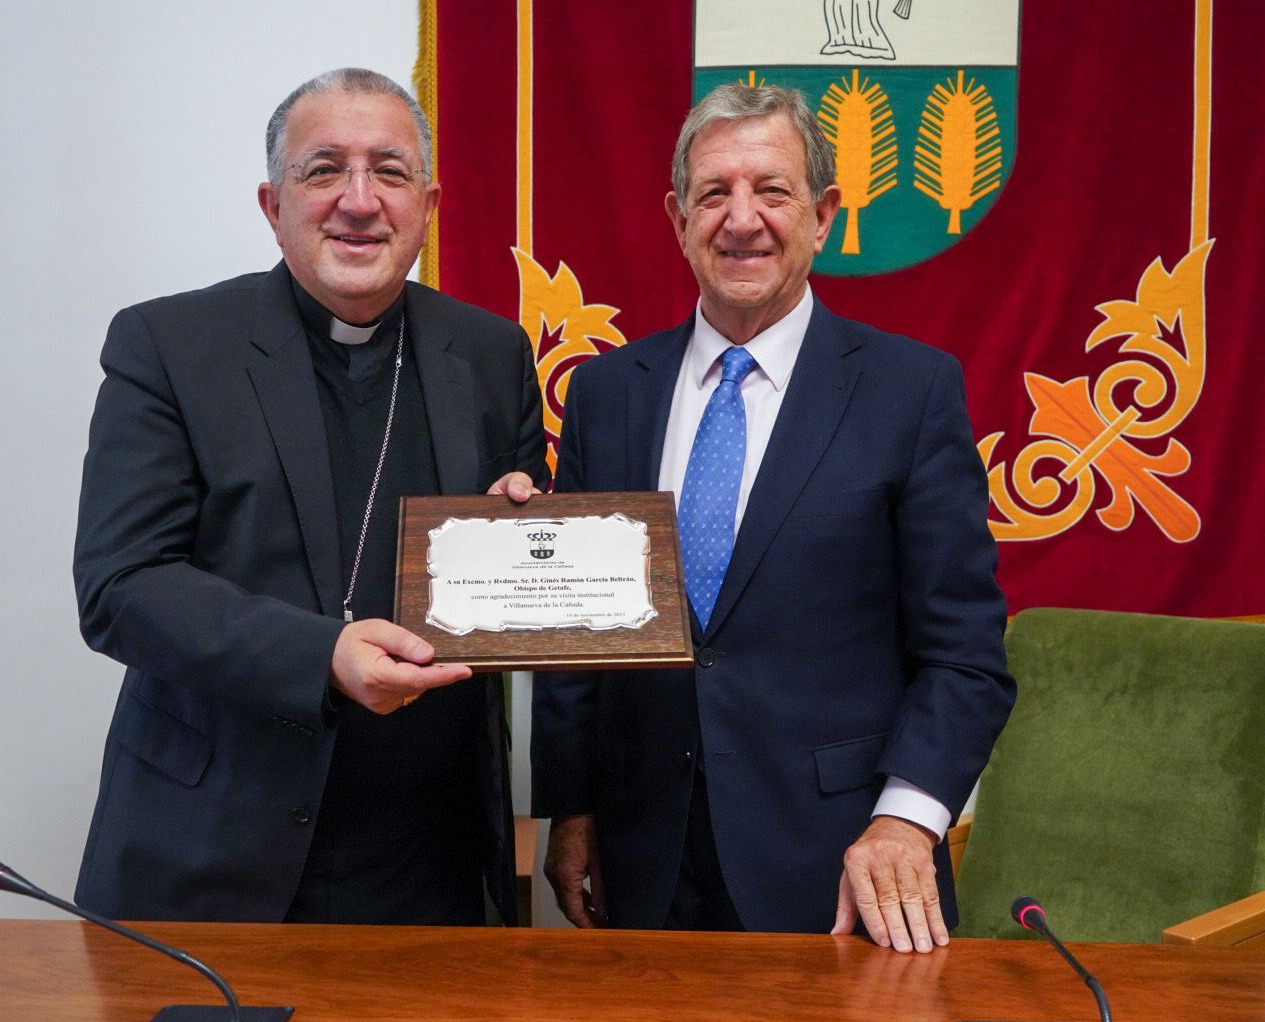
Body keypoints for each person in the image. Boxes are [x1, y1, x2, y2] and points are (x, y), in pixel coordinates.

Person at [530, 83, 1014, 950]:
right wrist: (571, 808)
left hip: (843, 866)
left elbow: (966, 657)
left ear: (824, 214)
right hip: (643, 862)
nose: (741, 219)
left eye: (772, 190)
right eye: (714, 193)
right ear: (679, 217)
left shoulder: (911, 392)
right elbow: (580, 643)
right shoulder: (609, 395)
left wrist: (908, 820)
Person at [73, 68, 549, 925]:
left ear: (429, 205)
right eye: (324, 169)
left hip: (426, 863)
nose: (359, 201)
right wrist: (321, 655)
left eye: (390, 172)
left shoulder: (490, 354)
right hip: (212, 850)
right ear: (272, 202)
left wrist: (524, 528)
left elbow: (514, 591)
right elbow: (120, 587)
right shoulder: (168, 345)